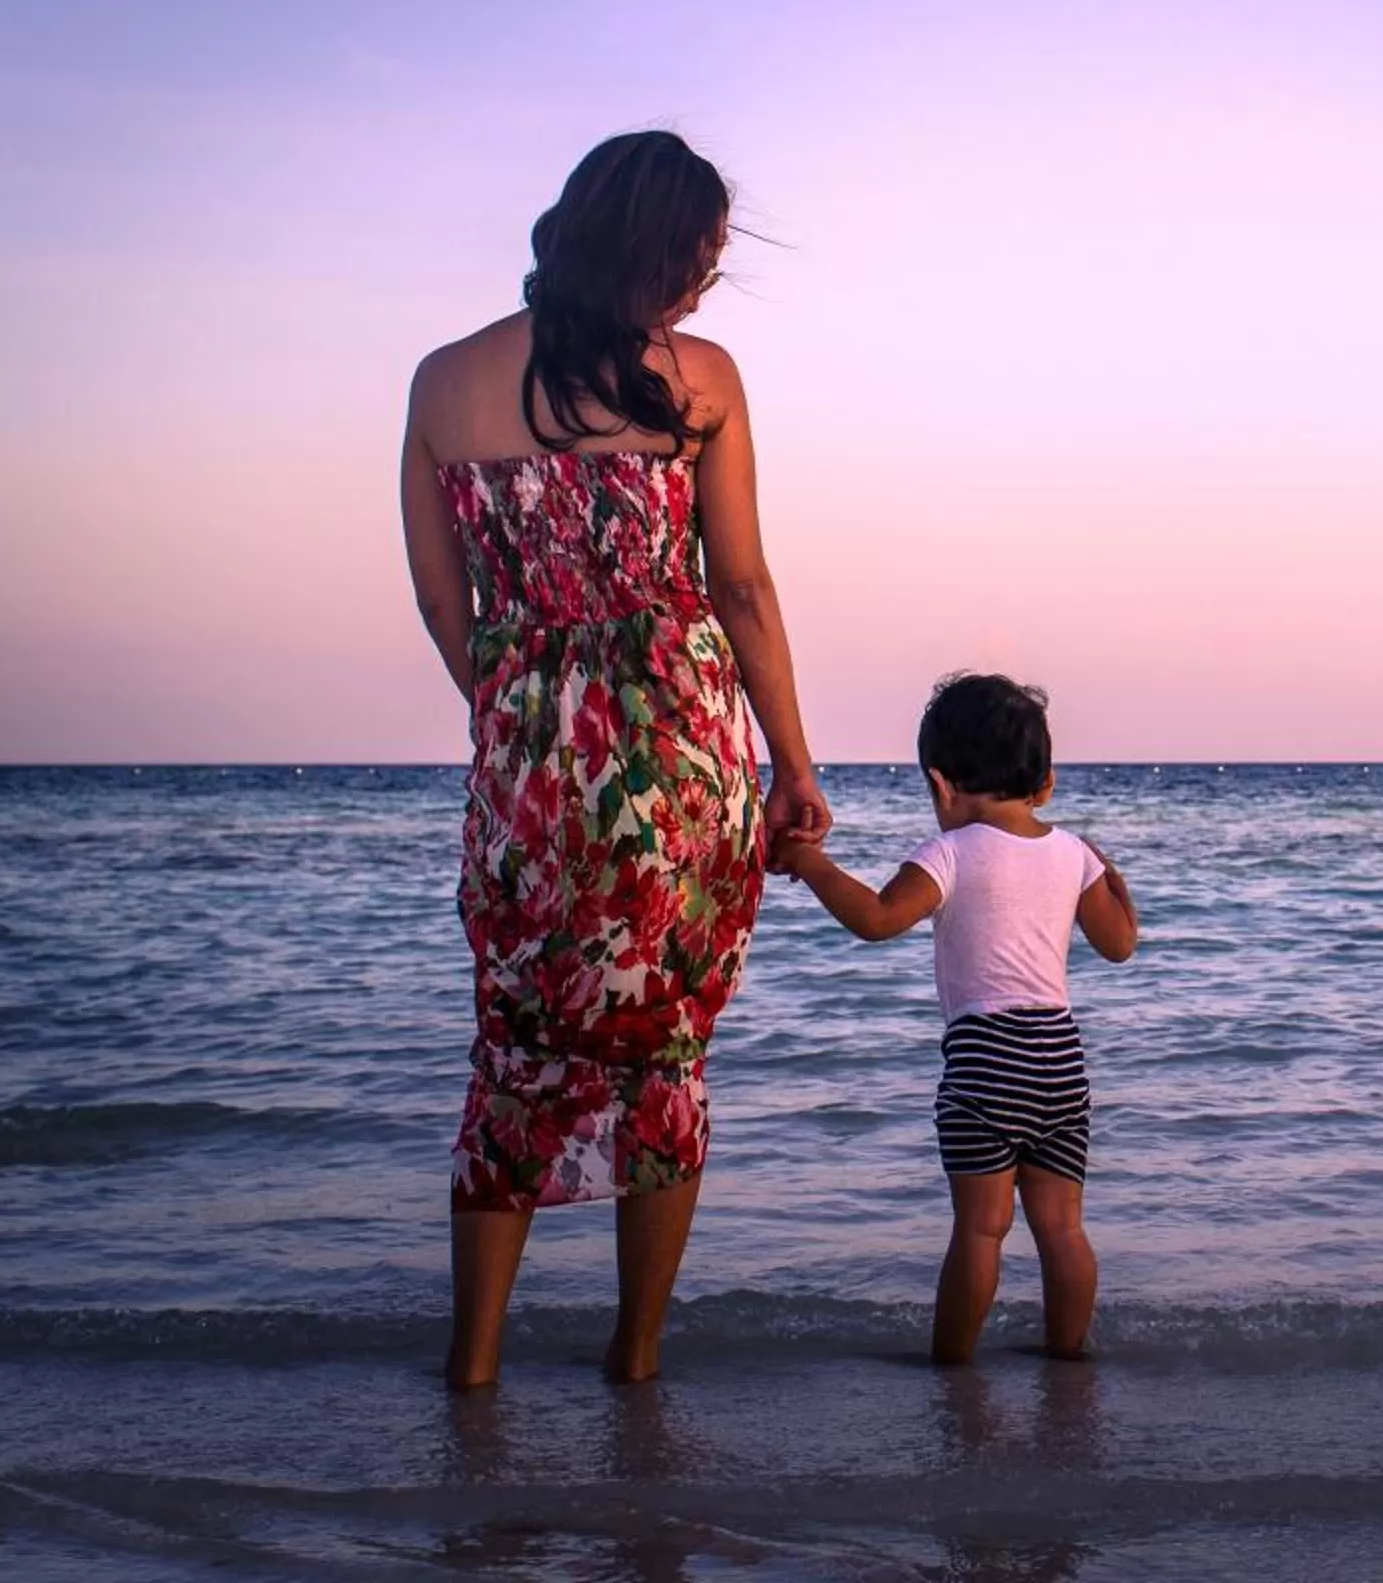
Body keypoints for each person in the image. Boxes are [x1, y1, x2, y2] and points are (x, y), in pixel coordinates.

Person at [399, 129, 830, 1389]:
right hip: (681, 755)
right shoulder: (699, 379)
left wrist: (525, 717)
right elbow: (738, 584)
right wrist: (792, 764)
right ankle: (634, 1353)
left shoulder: (441, 381)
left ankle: (472, 1362)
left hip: (527, 766)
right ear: (655, 247)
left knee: (515, 1050)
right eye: (701, 251)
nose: (709, 277)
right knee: (665, 1049)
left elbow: (442, 602)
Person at [770, 673, 1137, 1364]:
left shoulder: (951, 851)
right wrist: (1110, 877)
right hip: (1060, 1056)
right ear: (1046, 783)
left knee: (980, 1229)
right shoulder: (1073, 853)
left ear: (942, 785)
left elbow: (877, 921)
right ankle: (1068, 1359)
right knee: (1062, 1229)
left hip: (986, 1055)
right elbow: (1119, 946)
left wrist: (813, 866)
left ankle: (951, 1366)